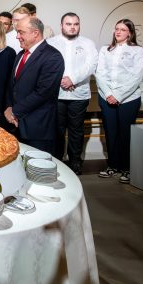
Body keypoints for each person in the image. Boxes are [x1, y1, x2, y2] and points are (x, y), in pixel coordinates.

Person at [95, 19, 143, 184]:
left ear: (130, 33)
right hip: (105, 97)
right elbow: (100, 73)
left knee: (125, 134)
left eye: (123, 30)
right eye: (117, 29)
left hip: (128, 99)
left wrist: (118, 95)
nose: (118, 32)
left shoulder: (137, 51)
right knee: (111, 134)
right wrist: (109, 94)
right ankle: (113, 166)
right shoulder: (105, 50)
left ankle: (127, 169)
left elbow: (136, 76)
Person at [47, 13, 98, 174]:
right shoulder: (50, 43)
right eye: (68, 24)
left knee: (76, 130)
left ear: (79, 26)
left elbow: (91, 65)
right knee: (57, 130)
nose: (72, 27)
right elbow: (47, 66)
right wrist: (62, 80)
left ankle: (75, 162)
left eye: (75, 24)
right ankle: (57, 162)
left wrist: (73, 79)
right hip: (57, 94)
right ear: (61, 26)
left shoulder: (88, 43)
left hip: (79, 94)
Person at [4, 17, 64, 154]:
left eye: (21, 32)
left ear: (35, 33)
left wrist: (14, 111)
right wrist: (8, 107)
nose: (17, 36)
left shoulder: (53, 57)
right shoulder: (20, 55)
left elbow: (42, 93)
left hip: (38, 129)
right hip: (15, 125)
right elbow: (12, 86)